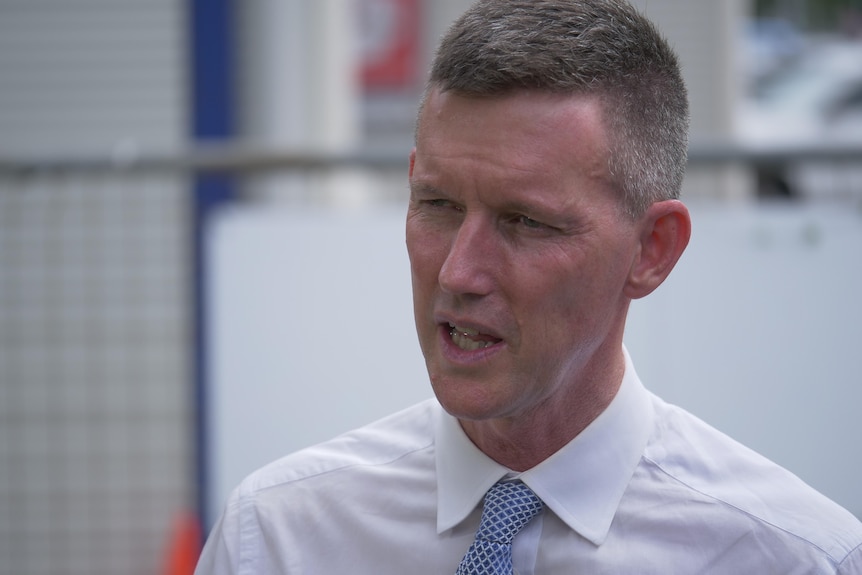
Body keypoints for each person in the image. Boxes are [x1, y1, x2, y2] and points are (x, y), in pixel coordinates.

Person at [196, 0, 862, 573]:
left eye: (524, 221)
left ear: (651, 249)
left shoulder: (793, 556)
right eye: (437, 204)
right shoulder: (278, 539)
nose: (458, 272)